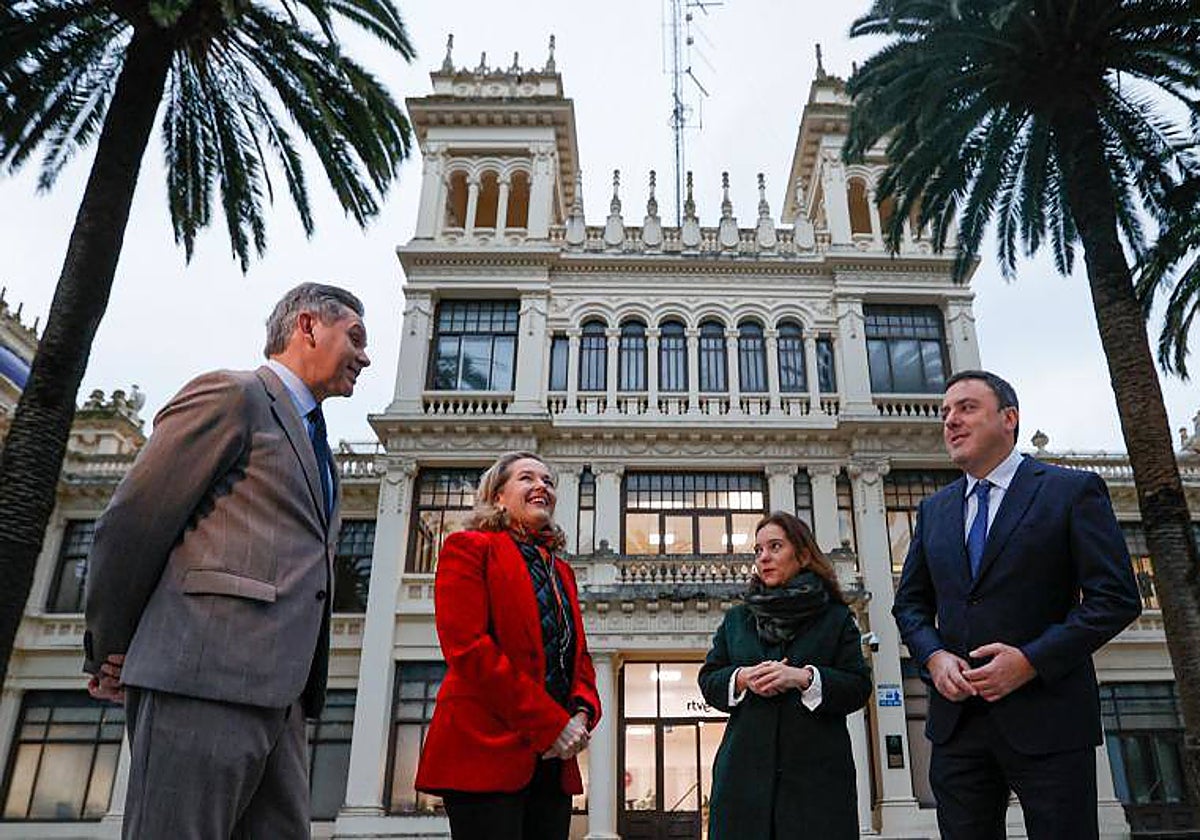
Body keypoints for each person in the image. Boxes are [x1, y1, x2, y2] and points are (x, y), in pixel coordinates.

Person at [82, 282, 370, 838]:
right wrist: (112, 645)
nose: (365, 355)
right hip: (202, 679)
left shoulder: (322, 452)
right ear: (308, 326)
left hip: (281, 702)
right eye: (354, 337)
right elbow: (134, 522)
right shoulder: (232, 396)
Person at [892, 370, 1142, 840]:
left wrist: (1030, 660)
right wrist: (934, 654)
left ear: (1009, 418)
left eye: (966, 408)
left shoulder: (1070, 491)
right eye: (945, 413)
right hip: (957, 725)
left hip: (1048, 718)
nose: (950, 421)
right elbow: (910, 605)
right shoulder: (935, 510)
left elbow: (1115, 598)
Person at [415, 452, 601, 840]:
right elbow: (468, 649)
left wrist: (581, 714)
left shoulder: (561, 571)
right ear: (498, 497)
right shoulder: (468, 547)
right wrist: (551, 725)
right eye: (527, 478)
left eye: (549, 481)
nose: (542, 487)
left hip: (552, 762)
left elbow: (578, 656)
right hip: (485, 752)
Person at [698, 511, 871, 839]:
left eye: (774, 546)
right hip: (742, 785)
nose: (764, 557)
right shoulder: (737, 619)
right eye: (758, 550)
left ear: (803, 554)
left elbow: (859, 686)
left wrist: (804, 678)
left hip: (816, 789)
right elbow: (709, 679)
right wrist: (742, 678)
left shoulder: (835, 618)